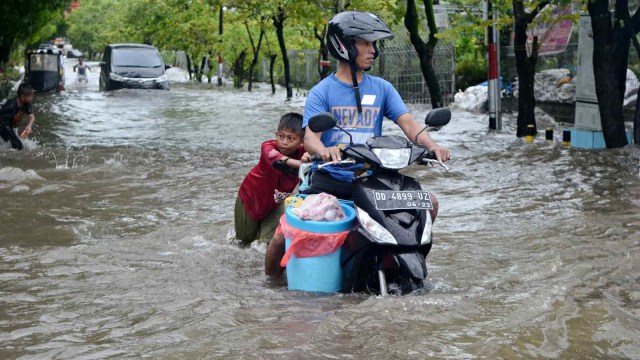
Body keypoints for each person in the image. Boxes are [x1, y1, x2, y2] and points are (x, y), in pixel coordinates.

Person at [265, 11, 450, 276]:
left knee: (428, 204)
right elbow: (310, 138)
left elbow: (409, 124)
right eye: (365, 43)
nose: (372, 50)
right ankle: (271, 289)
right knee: (281, 238)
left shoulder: (383, 88)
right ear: (345, 45)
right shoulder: (322, 92)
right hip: (330, 178)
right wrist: (323, 150)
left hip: (374, 179)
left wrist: (432, 146)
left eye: (373, 44)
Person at [235, 112, 310, 244]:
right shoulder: (268, 147)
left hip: (276, 202)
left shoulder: (304, 153)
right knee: (244, 241)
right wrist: (304, 165)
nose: (284, 142)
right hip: (251, 199)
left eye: (291, 139)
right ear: (276, 134)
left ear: (301, 142)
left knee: (266, 244)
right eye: (281, 136)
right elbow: (281, 160)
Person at [0, 83, 35, 150]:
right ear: (23, 97)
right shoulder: (10, 106)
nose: (32, 98)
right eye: (31, 96)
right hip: (3, 126)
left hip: (11, 127)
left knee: (15, 144)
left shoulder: (26, 103)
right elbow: (3, 124)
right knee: (18, 146)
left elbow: (32, 116)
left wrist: (29, 126)